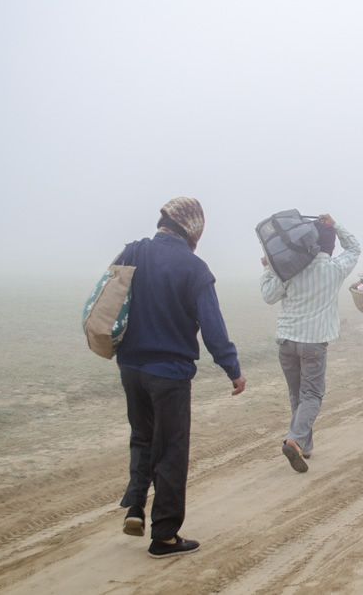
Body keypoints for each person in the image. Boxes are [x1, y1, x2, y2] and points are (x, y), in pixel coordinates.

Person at [115, 197, 246, 559]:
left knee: (142, 437)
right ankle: (165, 536)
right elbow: (213, 326)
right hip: (169, 374)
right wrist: (232, 369)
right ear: (192, 231)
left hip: (130, 368)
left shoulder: (132, 251)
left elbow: (111, 299)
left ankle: (135, 507)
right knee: (171, 450)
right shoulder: (194, 268)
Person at [260, 214, 360, 473]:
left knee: (297, 395)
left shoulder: (291, 268)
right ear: (330, 247)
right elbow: (355, 248)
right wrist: (337, 224)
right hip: (314, 342)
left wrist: (267, 270)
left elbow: (269, 296)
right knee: (312, 395)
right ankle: (294, 440)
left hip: (286, 339)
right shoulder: (335, 269)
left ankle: (304, 445)